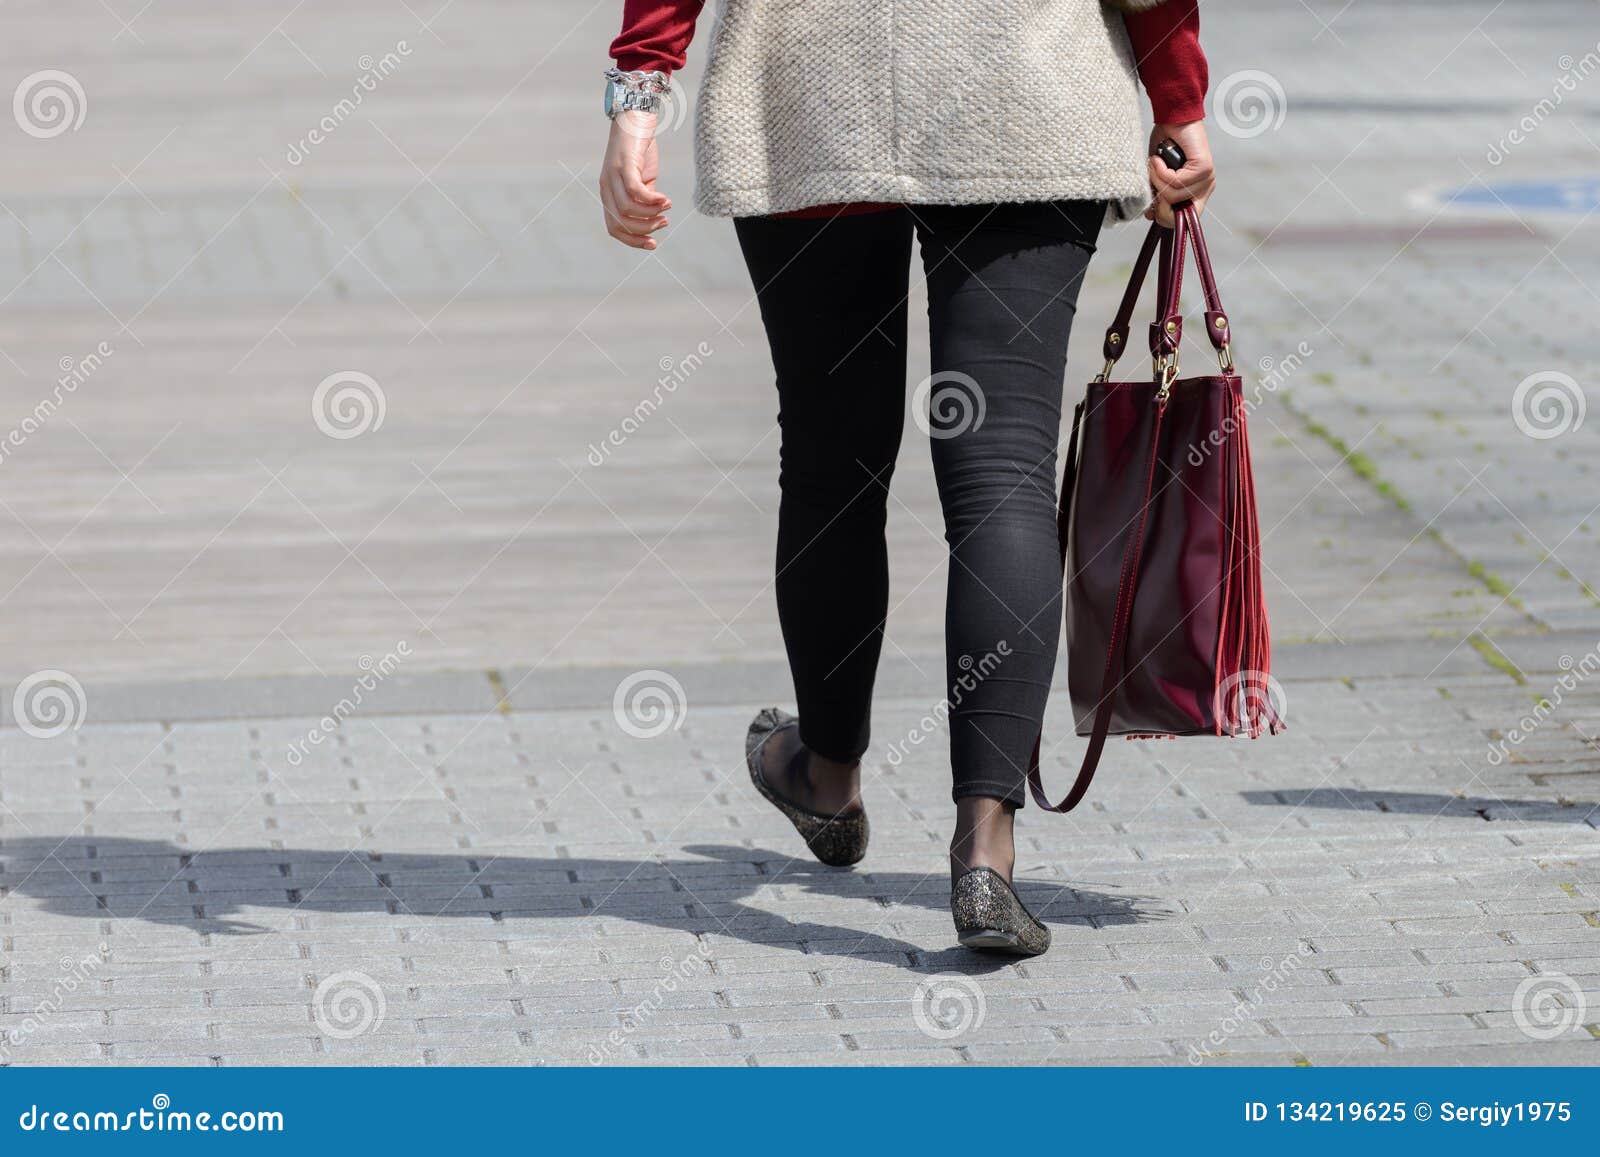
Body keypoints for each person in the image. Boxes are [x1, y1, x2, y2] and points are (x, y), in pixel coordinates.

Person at [600, 0, 1215, 955]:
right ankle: (984, 844)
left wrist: (639, 92)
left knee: (829, 458)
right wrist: (1178, 96)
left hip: (811, 85)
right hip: (1022, 85)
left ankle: (827, 770)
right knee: (1003, 467)